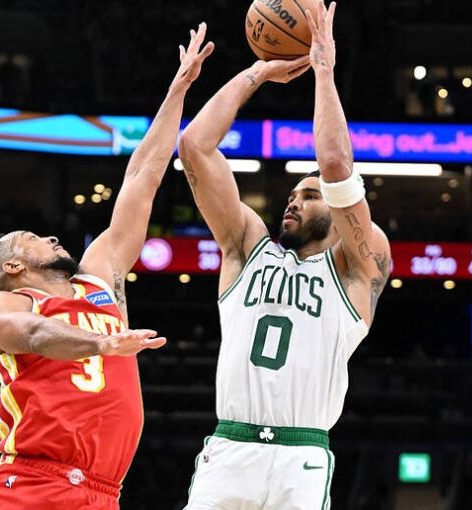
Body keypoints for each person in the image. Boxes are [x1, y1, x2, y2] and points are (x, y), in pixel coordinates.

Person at [0, 24, 214, 510]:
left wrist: (178, 90)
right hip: (28, 483)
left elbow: (142, 175)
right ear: (12, 265)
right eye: (33, 238)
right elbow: (35, 334)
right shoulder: (5, 305)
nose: (50, 238)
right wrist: (101, 343)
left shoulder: (99, 278)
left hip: (102, 493)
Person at [178, 3, 391, 509]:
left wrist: (323, 70)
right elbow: (194, 147)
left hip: (301, 454)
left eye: (309, 195)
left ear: (337, 211)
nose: (294, 201)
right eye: (292, 195)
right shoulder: (246, 248)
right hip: (230, 447)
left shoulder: (359, 265)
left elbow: (334, 163)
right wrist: (257, 73)